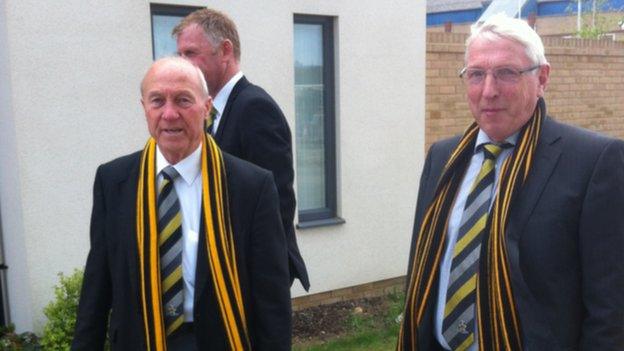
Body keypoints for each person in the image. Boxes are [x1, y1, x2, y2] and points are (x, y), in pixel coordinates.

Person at [398, 14, 624, 351]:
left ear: (542, 78)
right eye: (476, 74)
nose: (488, 91)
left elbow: (611, 307)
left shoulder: (594, 162)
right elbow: (422, 266)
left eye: (506, 73)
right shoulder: (443, 157)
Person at [72, 57, 291, 350]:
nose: (169, 113)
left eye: (183, 100)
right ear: (144, 109)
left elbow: (271, 298)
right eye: (157, 101)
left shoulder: (252, 186)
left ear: (207, 107)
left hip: (223, 340)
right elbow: (98, 284)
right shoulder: (113, 181)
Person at [173, 8, 309, 291]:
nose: (182, 64)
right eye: (179, 55)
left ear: (225, 51)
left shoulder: (254, 108)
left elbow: (276, 204)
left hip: (248, 276)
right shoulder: (211, 112)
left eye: (190, 53)